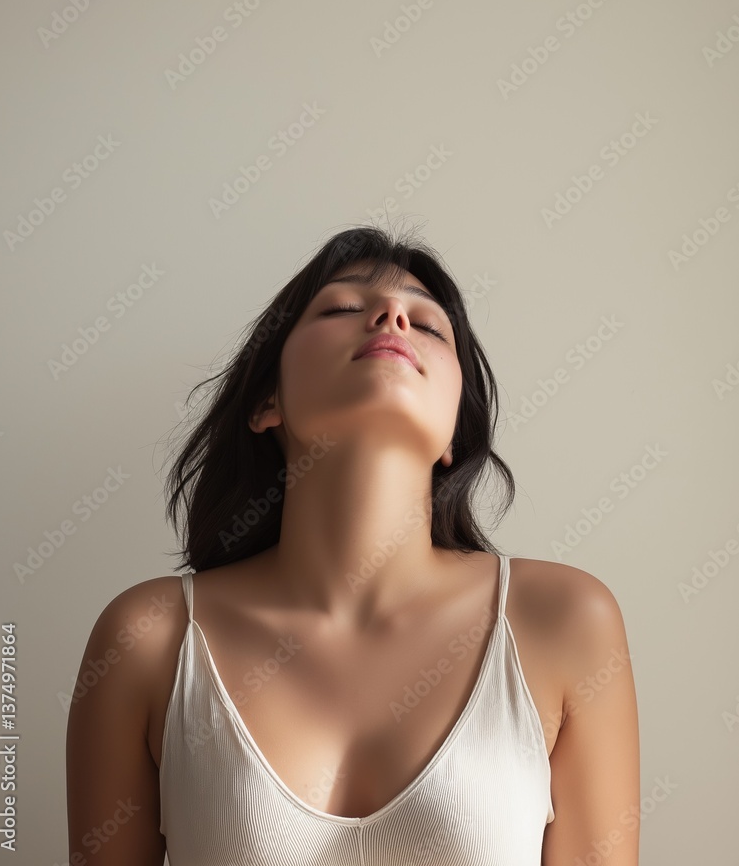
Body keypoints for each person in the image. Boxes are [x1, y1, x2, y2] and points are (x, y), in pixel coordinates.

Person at [66, 224, 640, 865]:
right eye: (343, 307)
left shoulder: (563, 621)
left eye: (430, 326)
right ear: (267, 400)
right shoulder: (148, 640)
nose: (394, 316)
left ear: (454, 431)